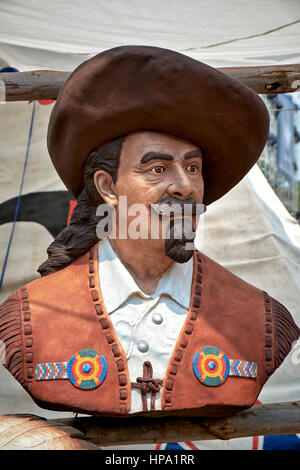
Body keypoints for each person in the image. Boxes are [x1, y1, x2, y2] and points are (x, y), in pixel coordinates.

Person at [0, 46, 299, 418]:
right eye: (157, 169)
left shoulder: (262, 319)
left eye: (193, 168)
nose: (183, 186)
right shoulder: (28, 319)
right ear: (108, 186)